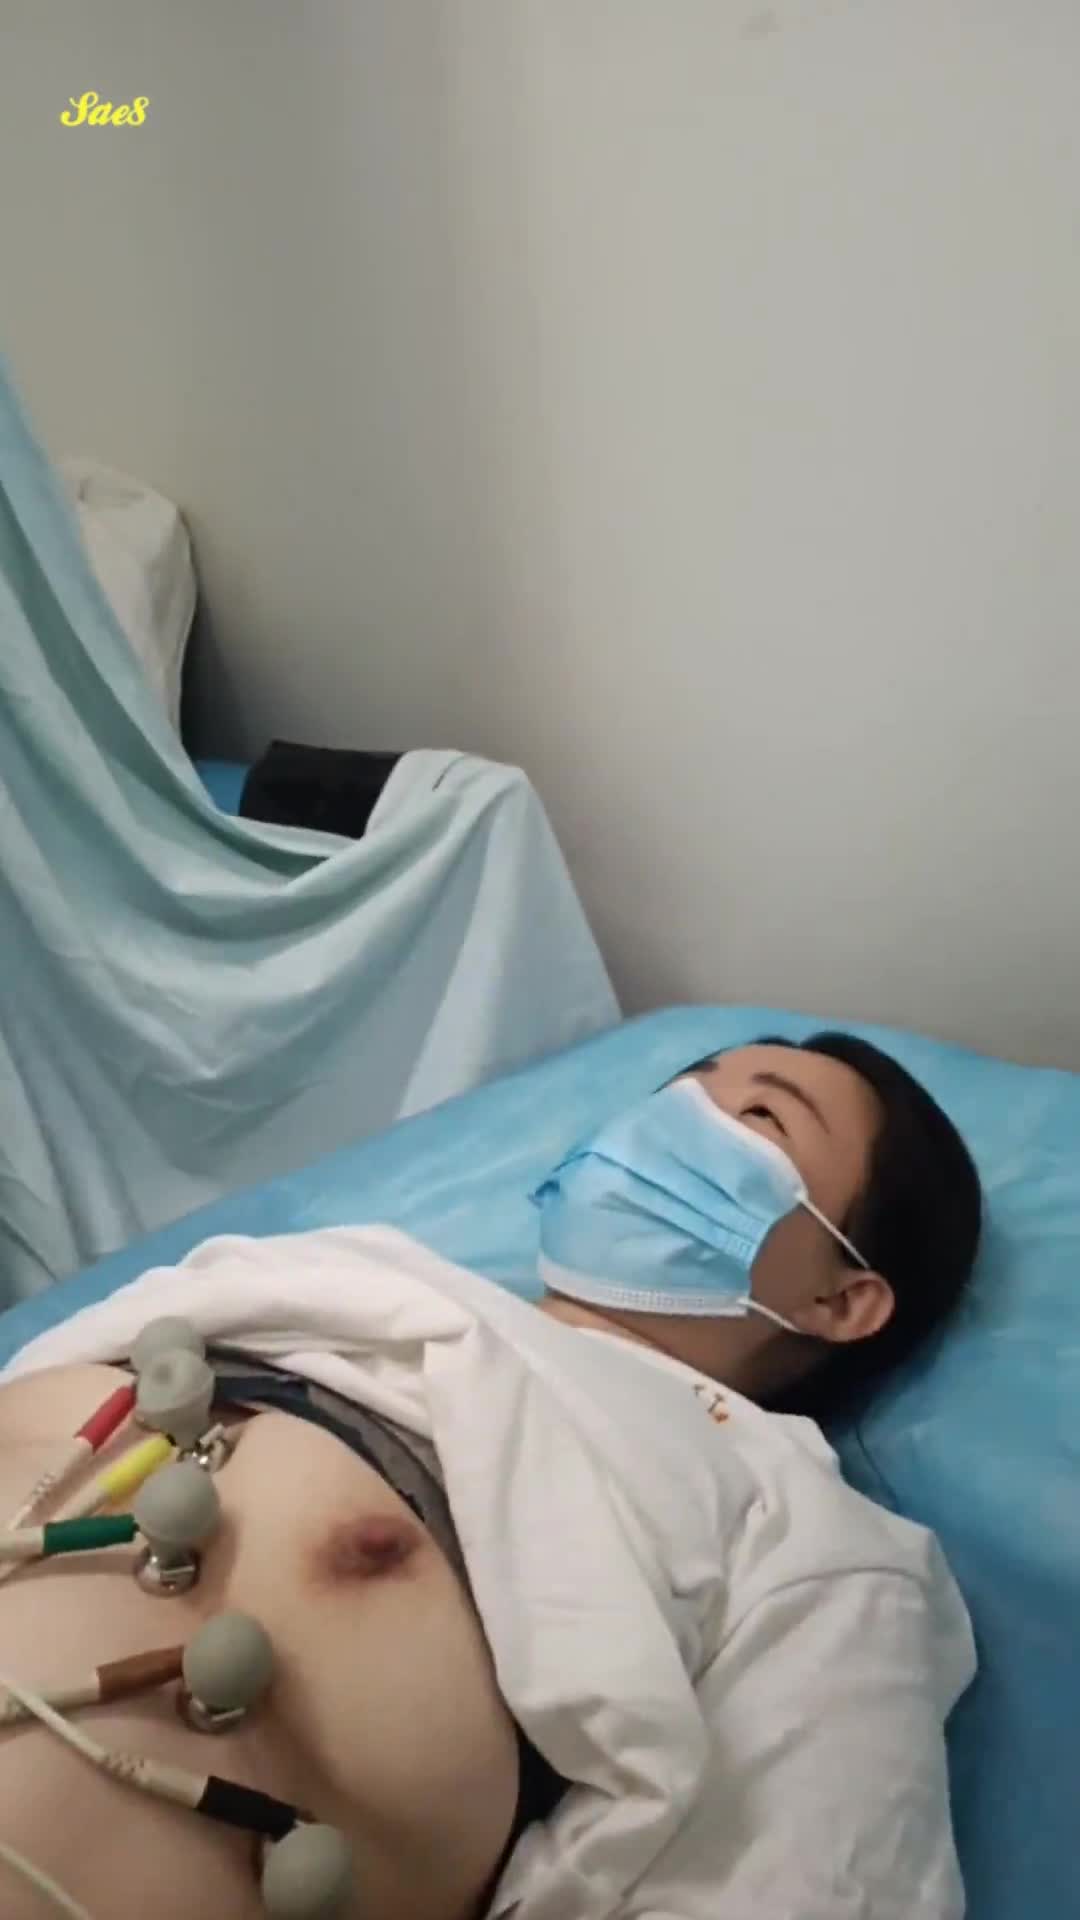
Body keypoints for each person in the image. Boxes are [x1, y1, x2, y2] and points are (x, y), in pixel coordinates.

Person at [0, 1035, 981, 1920]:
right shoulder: (351, 1276)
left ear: (843, 1300)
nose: (682, 1114)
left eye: (761, 1115)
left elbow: (809, 1880)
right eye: (684, 1085)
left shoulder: (803, 1529)